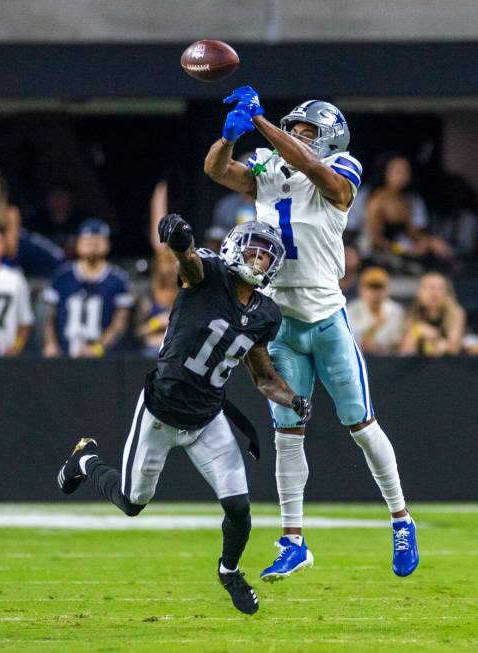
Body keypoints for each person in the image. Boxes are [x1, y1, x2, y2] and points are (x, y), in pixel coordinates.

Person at [204, 86, 419, 581]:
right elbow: (217, 170)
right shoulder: (266, 163)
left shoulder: (344, 166)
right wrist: (227, 135)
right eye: (294, 128)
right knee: (287, 435)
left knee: (362, 427)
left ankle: (401, 519)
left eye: (307, 132)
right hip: (278, 320)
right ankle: (293, 540)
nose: (297, 137)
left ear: (331, 138)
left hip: (326, 318)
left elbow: (322, 178)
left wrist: (264, 127)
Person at [56, 215, 312, 615]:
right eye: (253, 250)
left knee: (240, 511)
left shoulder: (267, 314)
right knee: (131, 503)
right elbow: (187, 258)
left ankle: (229, 571)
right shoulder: (208, 275)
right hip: (160, 412)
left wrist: (292, 398)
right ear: (234, 247)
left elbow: (263, 378)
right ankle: (86, 461)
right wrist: (179, 237)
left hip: (209, 418)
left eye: (266, 256)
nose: (258, 260)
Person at [43, 218, 133, 358]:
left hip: (103, 358)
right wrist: (51, 344)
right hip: (63, 355)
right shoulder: (62, 276)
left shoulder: (118, 280)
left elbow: (119, 324)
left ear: (107, 244)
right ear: (78, 243)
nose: (93, 244)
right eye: (88, 239)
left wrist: (97, 349)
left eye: (98, 239)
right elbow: (49, 318)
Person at [365, 154, 453, 268]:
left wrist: (430, 242)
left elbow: (413, 233)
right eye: (398, 171)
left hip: (400, 251)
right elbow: (376, 240)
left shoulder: (407, 200)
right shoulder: (376, 201)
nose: (402, 176)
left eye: (406, 171)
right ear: (386, 173)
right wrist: (403, 249)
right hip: (378, 255)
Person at [0, 224, 34, 356]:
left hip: (7, 357)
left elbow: (25, 322)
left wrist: (16, 346)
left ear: (3, 246)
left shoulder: (16, 279)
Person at [400, 272, 465, 356]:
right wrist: (417, 331)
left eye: (440, 289)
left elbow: (454, 347)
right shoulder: (412, 312)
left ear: (447, 293)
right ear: (419, 292)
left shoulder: (455, 312)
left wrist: (445, 345)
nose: (434, 293)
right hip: (417, 364)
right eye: (429, 288)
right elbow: (405, 351)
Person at [347, 267, 405, 354]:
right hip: (361, 356)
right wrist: (373, 328)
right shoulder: (352, 309)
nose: (375, 293)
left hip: (390, 358)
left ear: (387, 290)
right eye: (370, 288)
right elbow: (351, 342)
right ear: (361, 290)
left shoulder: (396, 311)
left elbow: (398, 342)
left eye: (379, 288)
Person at [134, 249, 178, 357]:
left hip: (177, 349)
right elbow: (138, 332)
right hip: (152, 349)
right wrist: (156, 323)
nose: (168, 271)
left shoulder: (185, 295)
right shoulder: (148, 297)